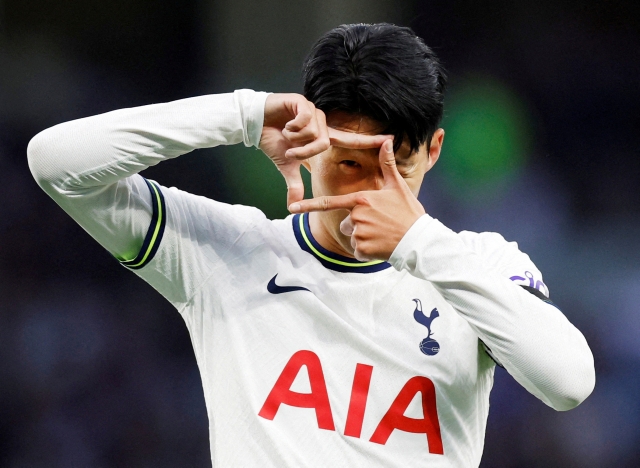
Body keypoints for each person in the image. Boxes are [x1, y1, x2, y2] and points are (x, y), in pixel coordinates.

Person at [27, 23, 594, 467]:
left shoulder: (480, 264)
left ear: (435, 149)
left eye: (397, 166)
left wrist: (419, 241)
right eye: (349, 162)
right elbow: (56, 162)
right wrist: (243, 115)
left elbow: (569, 383)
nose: (371, 191)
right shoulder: (227, 252)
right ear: (313, 143)